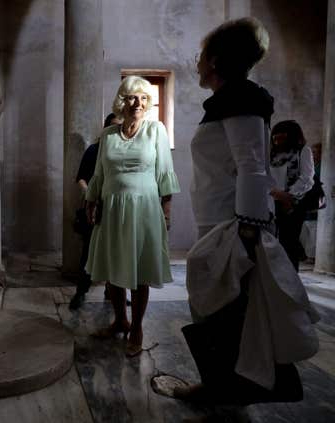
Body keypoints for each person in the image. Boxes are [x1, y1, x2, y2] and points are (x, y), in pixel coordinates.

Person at [176, 17, 318, 406]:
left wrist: (250, 232)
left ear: (217, 60)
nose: (197, 62)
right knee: (214, 308)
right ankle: (218, 386)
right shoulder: (230, 100)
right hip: (222, 220)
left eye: (201, 56)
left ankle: (227, 389)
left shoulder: (241, 98)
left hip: (233, 224)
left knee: (220, 309)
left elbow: (252, 166)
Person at [85, 75, 180, 358]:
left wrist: (166, 211)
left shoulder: (156, 130)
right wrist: (91, 200)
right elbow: (100, 173)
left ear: (148, 103)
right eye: (131, 97)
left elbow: (164, 171)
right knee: (113, 268)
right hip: (112, 208)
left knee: (140, 271)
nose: (137, 103)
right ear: (121, 101)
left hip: (144, 209)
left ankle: (136, 327)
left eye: (143, 98)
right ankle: (120, 320)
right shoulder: (108, 136)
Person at [70, 113, 121, 310]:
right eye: (113, 126)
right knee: (89, 252)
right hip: (96, 207)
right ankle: (81, 292)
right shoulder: (95, 150)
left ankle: (113, 293)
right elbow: (81, 178)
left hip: (116, 207)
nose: (116, 130)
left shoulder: (123, 150)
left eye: (119, 126)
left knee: (116, 251)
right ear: (106, 129)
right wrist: (90, 195)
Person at [270, 120, 314, 271]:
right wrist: (273, 192)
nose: (277, 141)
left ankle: (290, 279)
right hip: (271, 200)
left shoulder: (303, 150)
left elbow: (307, 178)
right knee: (269, 241)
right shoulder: (271, 153)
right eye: (275, 138)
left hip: (293, 203)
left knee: (289, 242)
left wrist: (288, 195)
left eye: (281, 138)